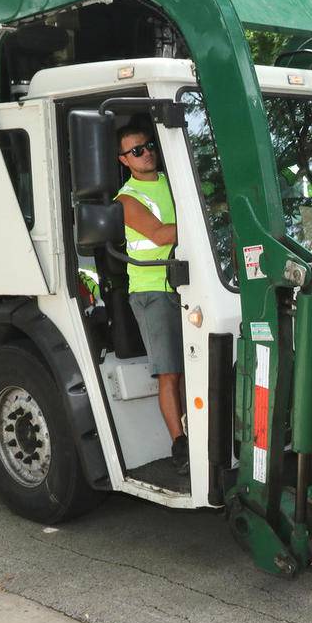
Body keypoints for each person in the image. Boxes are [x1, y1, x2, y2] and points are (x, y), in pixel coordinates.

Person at [115, 124, 188, 475]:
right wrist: (207, 221)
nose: (145, 153)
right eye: (136, 151)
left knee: (194, 369)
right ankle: (180, 446)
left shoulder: (175, 181)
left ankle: (200, 432)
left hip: (187, 285)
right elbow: (160, 234)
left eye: (147, 146)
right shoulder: (127, 199)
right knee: (170, 372)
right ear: (124, 160)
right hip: (153, 291)